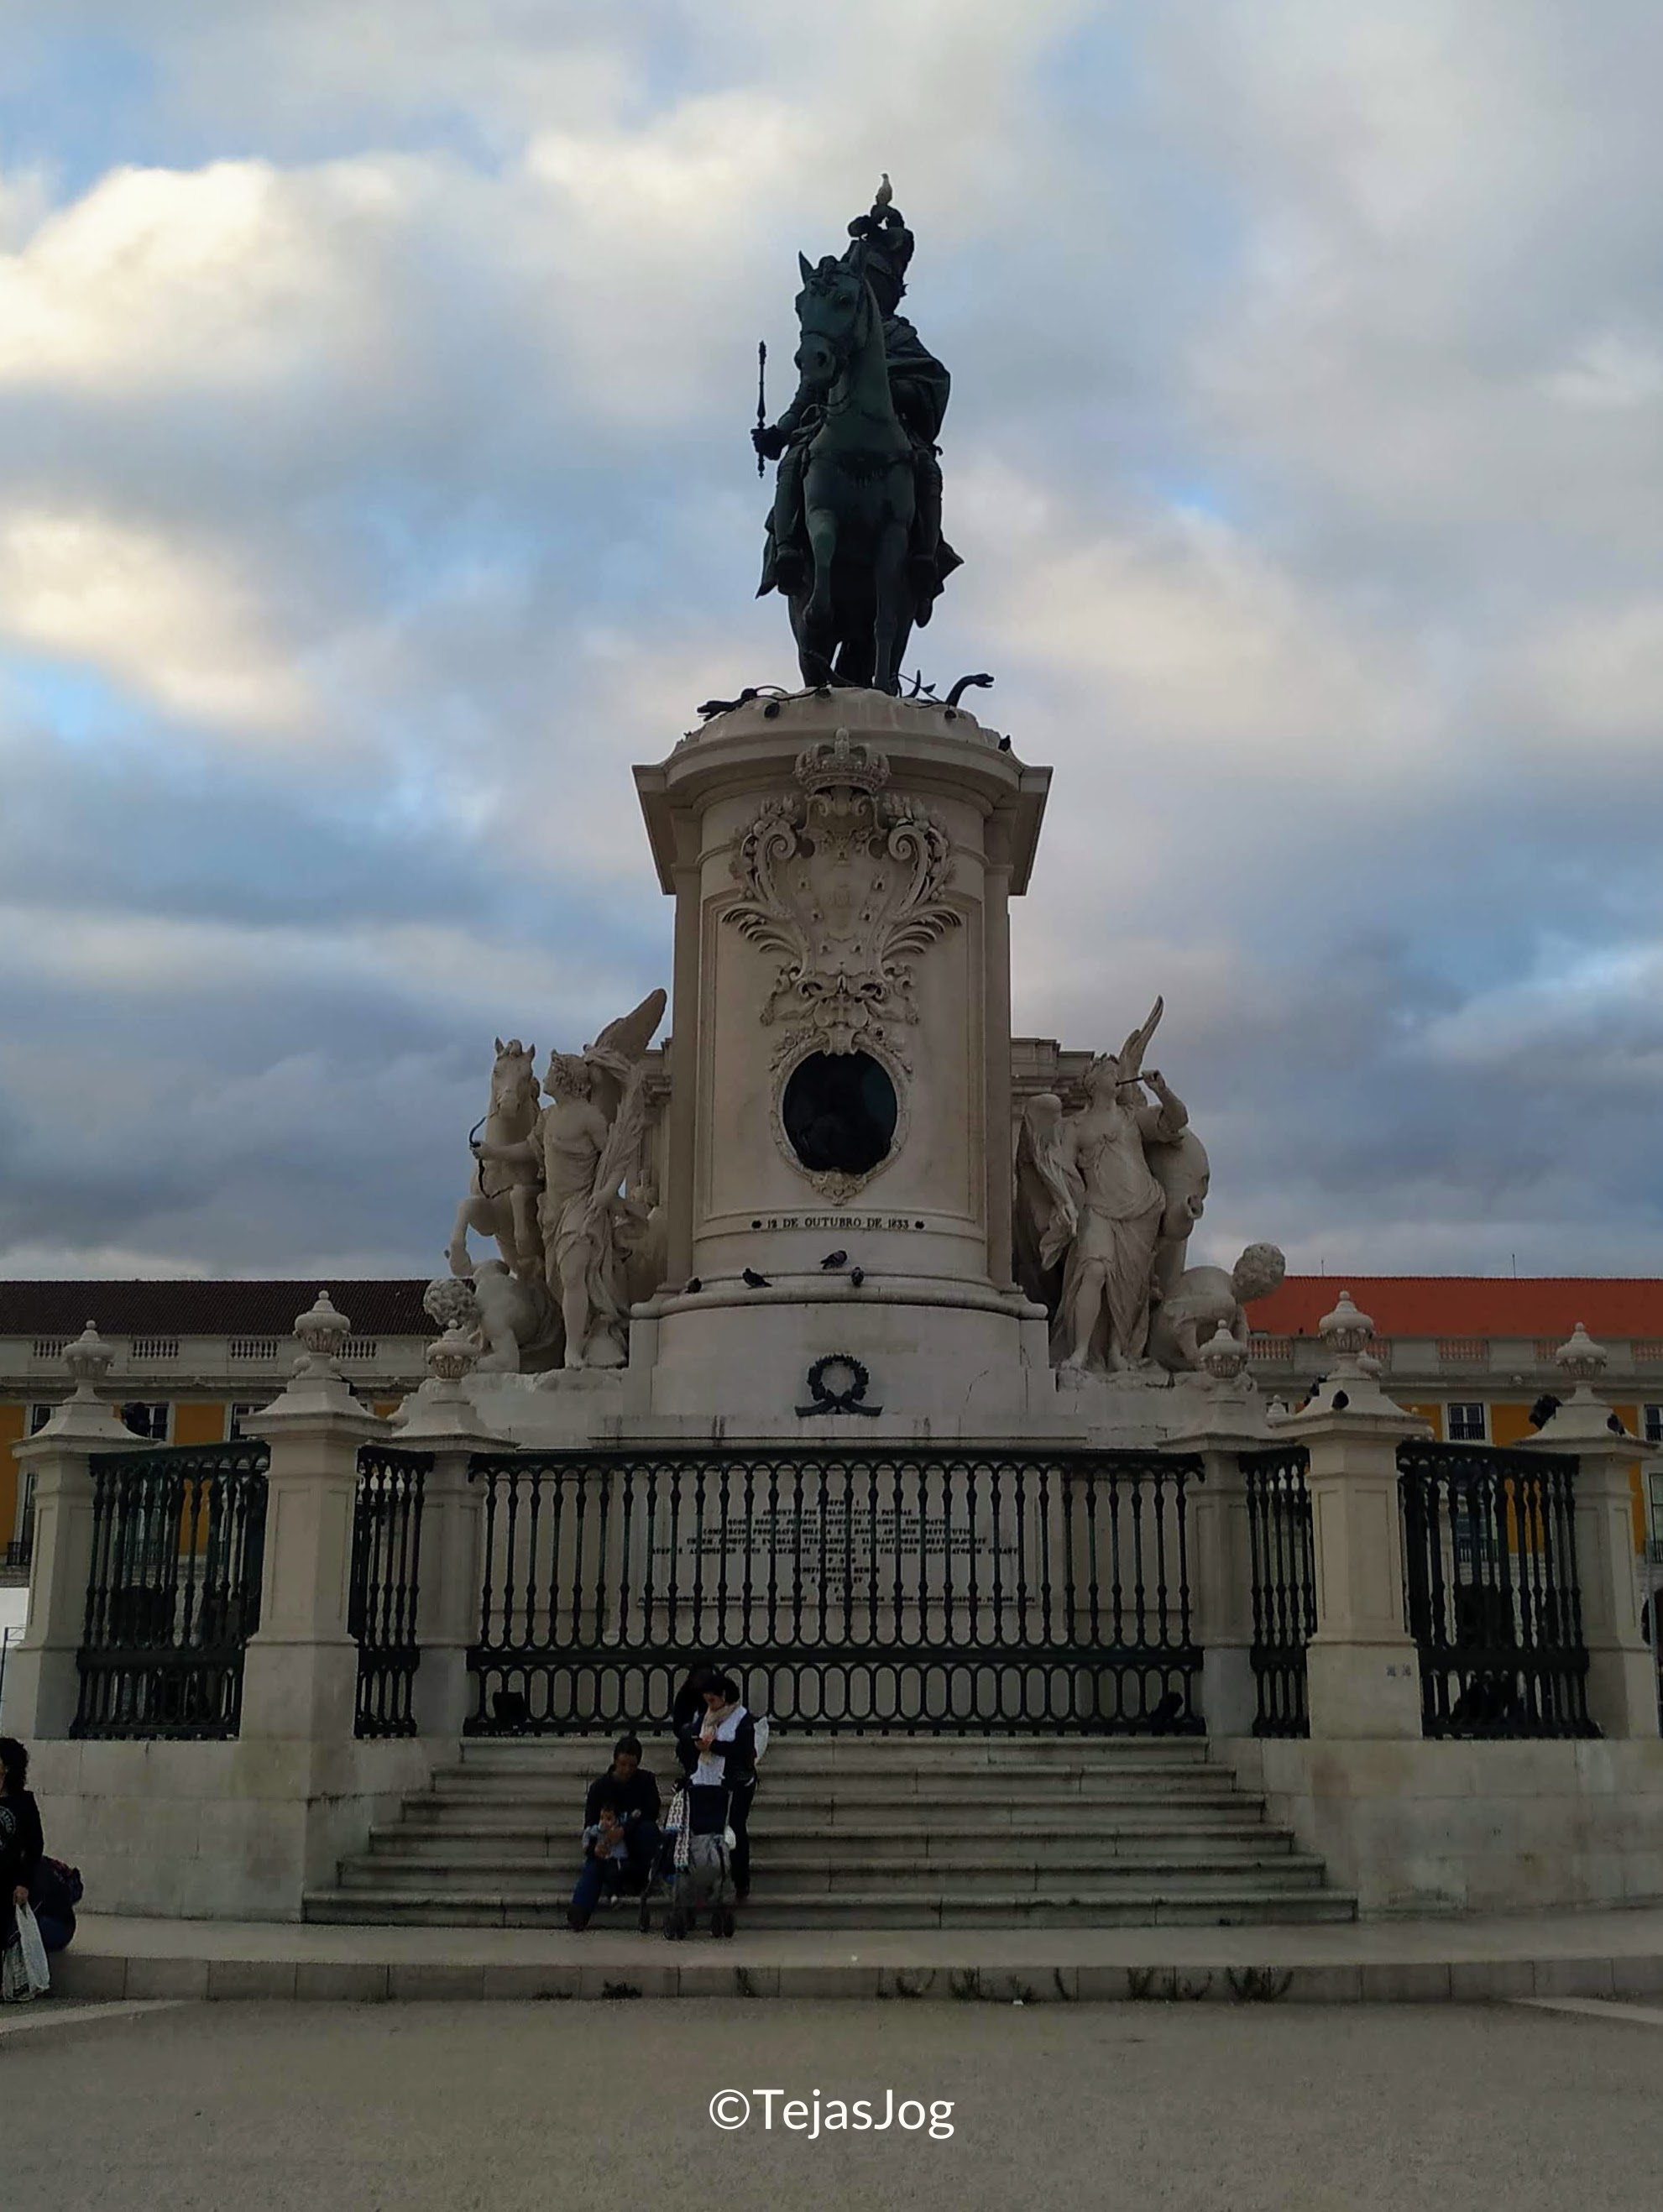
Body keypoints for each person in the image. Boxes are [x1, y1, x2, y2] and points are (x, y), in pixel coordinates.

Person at [677, 1676, 757, 1902]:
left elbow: (743, 1750)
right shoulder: (705, 1717)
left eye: (712, 1699)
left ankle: (740, 1881)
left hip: (734, 1783)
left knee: (734, 1829)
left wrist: (714, 1746)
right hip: (706, 1782)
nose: (709, 1704)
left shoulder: (742, 1719)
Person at [567, 1734, 661, 1932]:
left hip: (634, 1847)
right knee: (596, 1865)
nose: (627, 1770)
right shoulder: (600, 1788)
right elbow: (590, 1826)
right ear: (615, 1761)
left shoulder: (646, 1781)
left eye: (632, 1766)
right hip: (609, 1848)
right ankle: (579, 1910)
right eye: (622, 1764)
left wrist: (625, 1830)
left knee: (648, 1831)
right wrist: (596, 1848)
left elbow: (652, 1812)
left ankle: (641, 1880)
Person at [0, 1737, 44, 1985]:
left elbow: (35, 1845)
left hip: (8, 1881)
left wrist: (24, 1882)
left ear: (7, 1766)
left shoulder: (23, 1803)